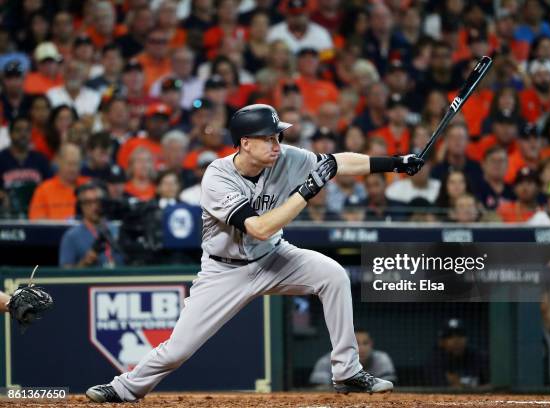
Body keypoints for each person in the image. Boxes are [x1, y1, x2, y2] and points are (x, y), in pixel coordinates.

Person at [86, 103, 425, 401]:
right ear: (245, 143)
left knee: (333, 276)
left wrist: (395, 163)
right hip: (225, 270)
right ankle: (125, 387)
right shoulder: (217, 176)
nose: (277, 143)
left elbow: (335, 163)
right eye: (269, 138)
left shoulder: (286, 157)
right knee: (178, 350)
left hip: (274, 257)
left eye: (277, 136)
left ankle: (347, 371)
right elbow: (259, 227)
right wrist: (306, 192)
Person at [59, 182, 122, 268]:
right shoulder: (71, 236)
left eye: (97, 201)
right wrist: (84, 263)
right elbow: (64, 275)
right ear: (80, 206)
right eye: (88, 202)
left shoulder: (117, 230)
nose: (94, 206)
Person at [310, 328, 397, 387]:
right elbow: (320, 388)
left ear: (371, 344)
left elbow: (389, 386)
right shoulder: (327, 361)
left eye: (365, 343)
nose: (361, 348)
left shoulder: (381, 359)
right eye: (356, 344)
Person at [29, 143, 88, 220]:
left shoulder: (88, 185)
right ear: (59, 162)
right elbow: (37, 221)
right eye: (70, 164)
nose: (73, 169)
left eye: (76, 164)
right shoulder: (43, 190)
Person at [427, 318, 489, 388]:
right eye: (450, 336)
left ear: (466, 338)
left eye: (460, 335)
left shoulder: (479, 358)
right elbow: (441, 391)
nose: (456, 340)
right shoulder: (436, 361)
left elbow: (492, 386)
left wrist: (460, 385)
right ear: (441, 342)